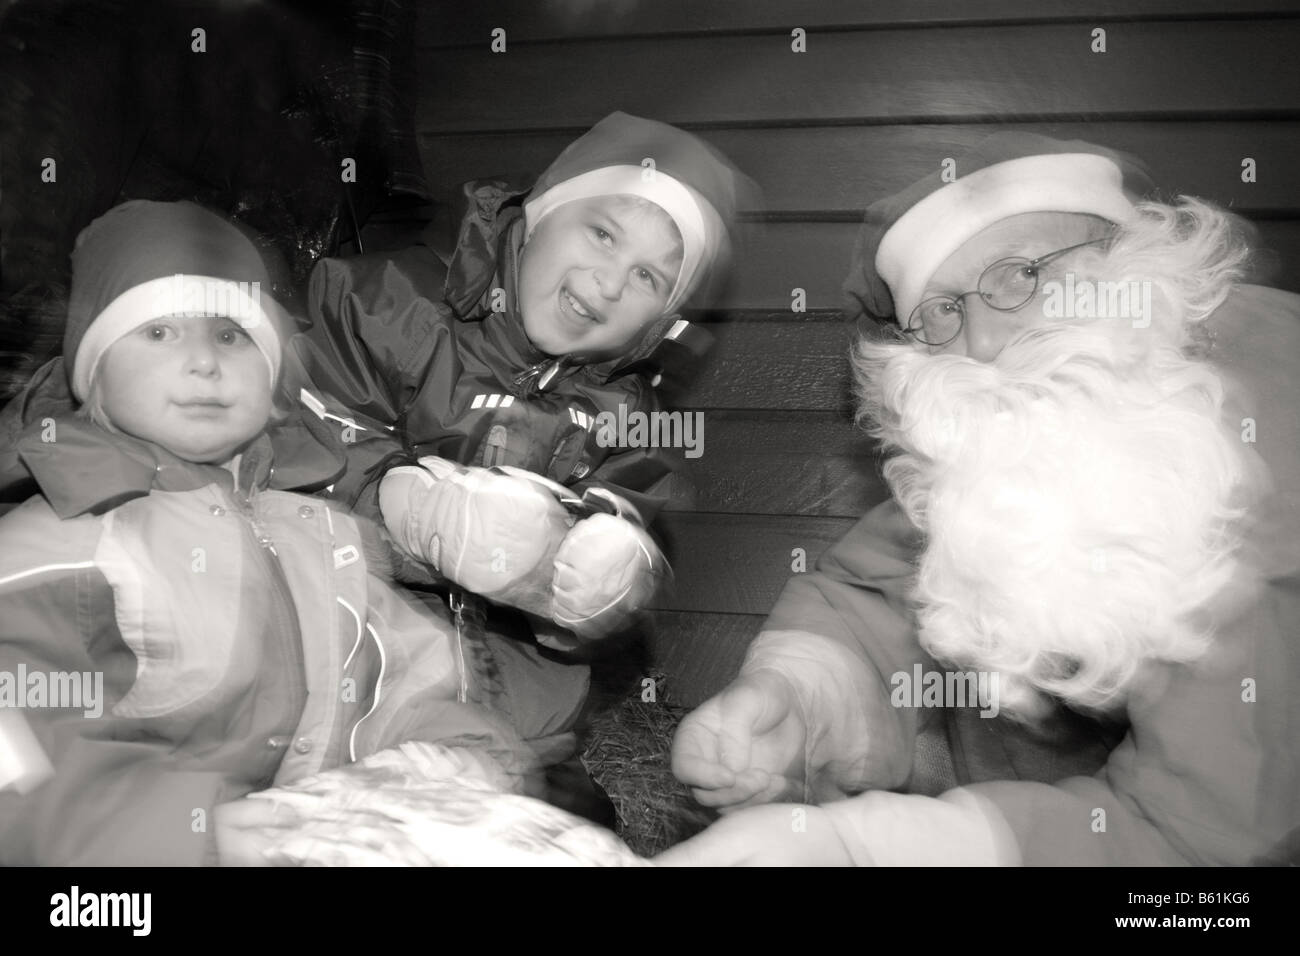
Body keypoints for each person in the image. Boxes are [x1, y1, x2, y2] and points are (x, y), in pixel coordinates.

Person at [664, 133, 1300, 866]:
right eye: (941, 311)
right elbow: (881, 585)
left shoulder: (1254, 443)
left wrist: (867, 851)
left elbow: (1214, 849)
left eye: (1022, 273)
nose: (987, 339)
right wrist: (802, 698)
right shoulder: (1025, 435)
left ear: (1127, 260)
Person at [0, 201, 533, 865]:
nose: (203, 361)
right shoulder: (63, 543)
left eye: (231, 335)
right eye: (159, 332)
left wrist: (452, 752)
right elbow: (18, 752)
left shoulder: (323, 535)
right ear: (95, 377)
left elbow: (398, 680)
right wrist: (197, 833)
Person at [291, 111, 752, 765]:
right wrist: (407, 508)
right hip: (345, 648)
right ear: (540, 213)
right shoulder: (390, 306)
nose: (612, 281)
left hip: (505, 707)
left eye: (651, 277)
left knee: (553, 800)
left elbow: (622, 519)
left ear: (660, 324)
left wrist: (592, 582)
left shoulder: (629, 419)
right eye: (602, 233)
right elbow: (298, 435)